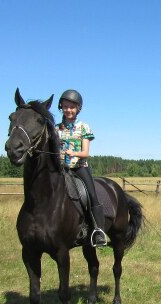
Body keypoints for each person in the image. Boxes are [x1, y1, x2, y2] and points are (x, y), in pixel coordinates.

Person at [55, 89, 107, 247]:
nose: (68, 110)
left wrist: (72, 152)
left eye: (72, 107)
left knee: (92, 195)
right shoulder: (56, 128)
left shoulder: (83, 127)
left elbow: (85, 153)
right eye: (65, 106)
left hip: (79, 168)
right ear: (61, 107)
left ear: (78, 108)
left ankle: (99, 231)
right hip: (61, 168)